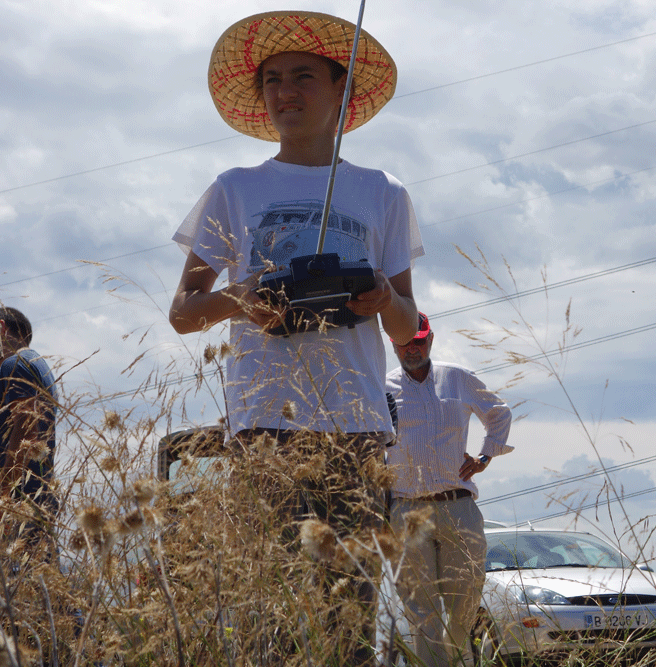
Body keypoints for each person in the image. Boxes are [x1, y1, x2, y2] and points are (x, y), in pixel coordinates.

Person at [168, 11, 421, 665]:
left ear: (341, 89)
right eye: (273, 80)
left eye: (303, 76)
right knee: (275, 614)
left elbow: (408, 324)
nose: (285, 91)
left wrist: (382, 297)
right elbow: (184, 311)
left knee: (350, 614)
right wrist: (243, 299)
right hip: (265, 425)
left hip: (357, 425)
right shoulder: (234, 188)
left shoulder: (384, 192)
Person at [386, 312, 513, 667]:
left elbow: (499, 413)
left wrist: (485, 457)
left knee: (465, 601)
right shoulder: (383, 388)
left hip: (457, 504)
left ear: (430, 339)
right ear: (393, 344)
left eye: (418, 341)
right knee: (420, 608)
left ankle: (455, 661)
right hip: (407, 509)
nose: (412, 348)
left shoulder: (457, 377)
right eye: (404, 342)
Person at [0, 306, 58, 556]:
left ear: (0, 327)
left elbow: (26, 429)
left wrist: (4, 492)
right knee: (37, 570)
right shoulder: (37, 364)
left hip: (19, 495)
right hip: (36, 489)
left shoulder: (15, 363)